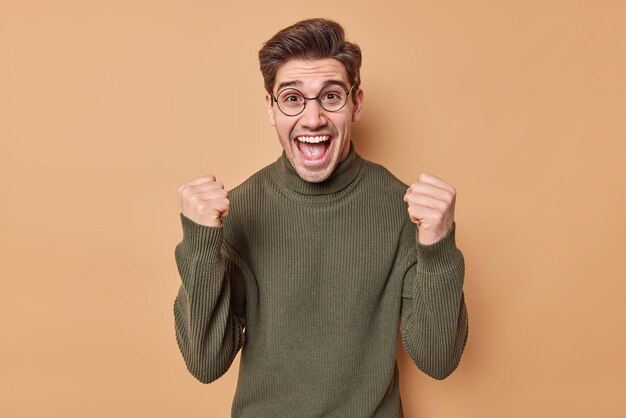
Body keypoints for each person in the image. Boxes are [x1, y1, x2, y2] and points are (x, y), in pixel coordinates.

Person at [173, 18, 468, 418]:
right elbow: (207, 364)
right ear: (270, 109)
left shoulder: (407, 210)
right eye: (293, 98)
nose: (313, 119)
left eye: (331, 96)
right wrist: (199, 243)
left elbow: (439, 359)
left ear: (356, 103)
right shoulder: (235, 212)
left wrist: (438, 246)